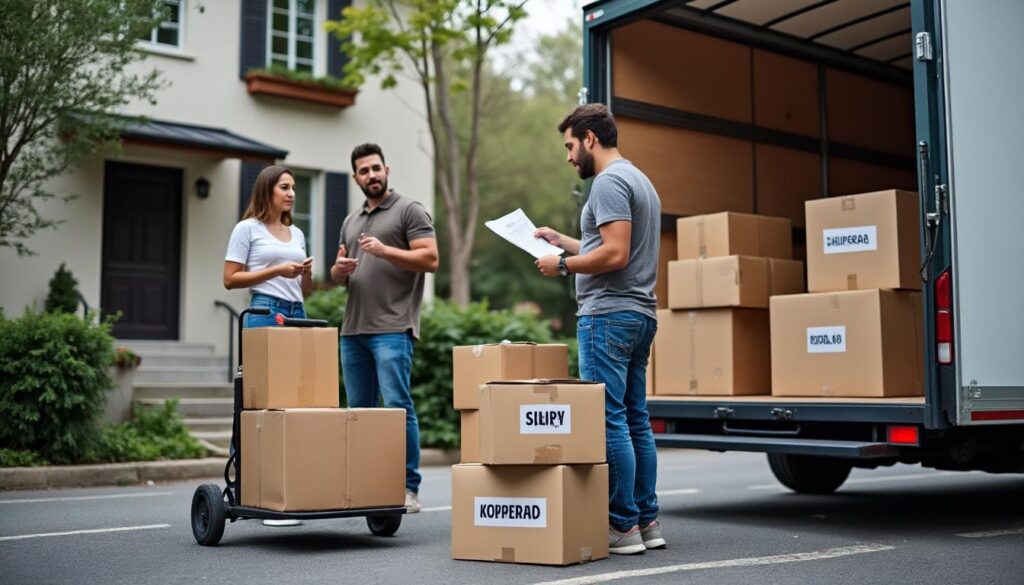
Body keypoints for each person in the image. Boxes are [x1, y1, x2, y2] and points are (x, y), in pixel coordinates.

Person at [535, 103, 663, 554]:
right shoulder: (639, 180)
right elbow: (608, 244)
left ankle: (622, 527)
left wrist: (563, 264)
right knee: (635, 420)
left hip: (607, 315)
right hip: (639, 314)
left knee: (609, 421)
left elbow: (613, 255)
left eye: (570, 145)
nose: (569, 156)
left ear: (590, 138)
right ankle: (647, 522)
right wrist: (562, 241)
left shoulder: (608, 183)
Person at [330, 143, 439, 513]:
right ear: (355, 177)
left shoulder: (409, 210)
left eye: (376, 168)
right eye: (364, 171)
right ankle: (365, 487)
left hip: (393, 327)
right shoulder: (350, 221)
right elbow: (337, 272)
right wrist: (338, 272)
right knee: (358, 413)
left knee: (397, 408)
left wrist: (385, 251)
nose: (371, 175)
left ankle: (409, 488)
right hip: (353, 330)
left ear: (386, 169)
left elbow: (430, 258)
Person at [224, 165, 312, 527]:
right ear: (267, 191)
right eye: (285, 187)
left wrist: (303, 273)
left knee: (294, 407)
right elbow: (230, 279)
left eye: (293, 188)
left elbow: (302, 289)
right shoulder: (247, 230)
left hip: (297, 313)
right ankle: (251, 492)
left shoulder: (297, 232)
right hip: (264, 313)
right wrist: (277, 271)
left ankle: (286, 493)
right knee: (258, 407)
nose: (291, 194)